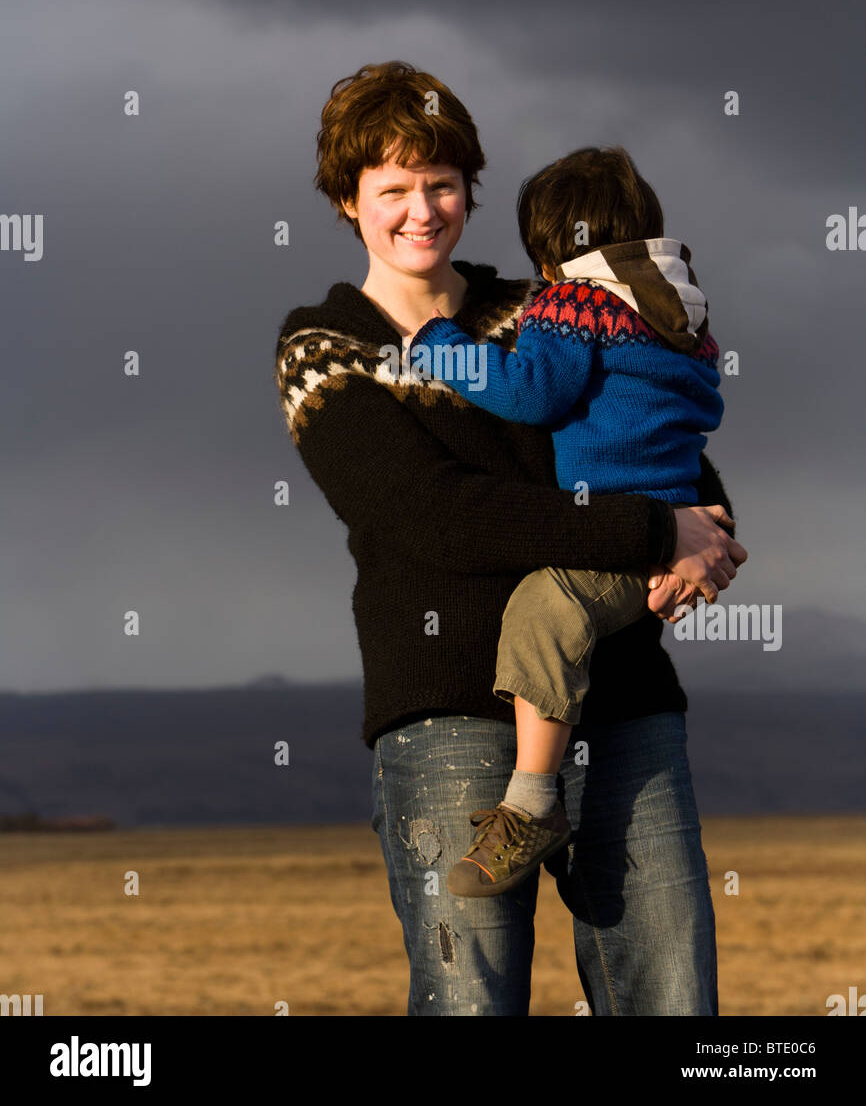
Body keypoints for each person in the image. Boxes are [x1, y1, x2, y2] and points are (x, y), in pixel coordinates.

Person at [273, 60, 747, 1016]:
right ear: (345, 200)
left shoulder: (541, 304)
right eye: (392, 189)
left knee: (673, 1004)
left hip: (624, 704)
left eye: (441, 184)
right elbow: (439, 517)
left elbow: (651, 432)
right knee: (472, 1005)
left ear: (470, 189)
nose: (421, 210)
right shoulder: (324, 350)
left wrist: (710, 526)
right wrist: (660, 528)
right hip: (452, 718)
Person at [405, 146, 725, 896]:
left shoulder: (574, 305)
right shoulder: (681, 315)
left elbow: (531, 393)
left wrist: (441, 347)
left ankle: (532, 804)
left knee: (540, 615)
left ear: (551, 249)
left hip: (612, 538)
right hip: (664, 531)